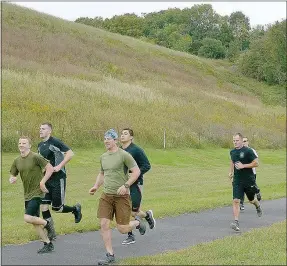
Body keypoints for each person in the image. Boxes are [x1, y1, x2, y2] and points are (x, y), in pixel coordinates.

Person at [89, 129, 146, 265]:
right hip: (106, 195)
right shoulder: (103, 157)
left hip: (122, 197)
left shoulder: (124, 155)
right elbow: (102, 174)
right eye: (105, 138)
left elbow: (136, 171)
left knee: (122, 228)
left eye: (109, 138)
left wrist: (126, 185)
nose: (106, 141)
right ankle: (110, 255)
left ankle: (138, 223)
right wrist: (96, 186)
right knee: (104, 224)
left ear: (115, 141)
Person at [9, 136, 55, 253]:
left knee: (27, 218)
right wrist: (12, 179)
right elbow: (13, 175)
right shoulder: (17, 160)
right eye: (20, 143)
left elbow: (50, 169)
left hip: (37, 193)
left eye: (24, 143)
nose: (21, 145)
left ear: (29, 145)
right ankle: (48, 244)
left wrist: (42, 182)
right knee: (34, 222)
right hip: (27, 194)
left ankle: (47, 223)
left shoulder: (35, 157)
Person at [38, 122, 82, 240]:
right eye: (40, 128)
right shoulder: (40, 145)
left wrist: (59, 166)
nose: (40, 130)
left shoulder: (55, 142)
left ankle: (75, 209)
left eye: (43, 128)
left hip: (58, 178)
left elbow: (70, 153)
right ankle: (51, 232)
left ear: (49, 131)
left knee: (57, 208)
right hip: (46, 179)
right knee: (43, 205)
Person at [120, 128, 155, 245]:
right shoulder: (119, 151)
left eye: (126, 134)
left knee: (134, 212)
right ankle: (130, 235)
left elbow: (147, 165)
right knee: (125, 209)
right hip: (123, 185)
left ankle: (147, 216)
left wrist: (134, 174)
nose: (122, 135)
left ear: (131, 137)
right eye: (121, 133)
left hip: (136, 184)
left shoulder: (136, 150)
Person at [228, 133, 262, 232]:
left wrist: (244, 166)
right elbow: (232, 162)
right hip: (238, 180)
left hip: (249, 179)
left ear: (242, 140)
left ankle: (257, 206)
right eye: (234, 140)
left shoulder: (248, 151)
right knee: (236, 200)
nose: (235, 142)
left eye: (237, 140)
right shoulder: (232, 152)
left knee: (251, 200)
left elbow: (256, 163)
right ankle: (236, 222)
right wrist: (230, 172)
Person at [240, 137, 262, 210]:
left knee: (252, 188)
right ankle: (241, 203)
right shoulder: (240, 151)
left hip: (251, 173)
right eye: (242, 141)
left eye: (245, 141)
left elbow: (256, 162)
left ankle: (257, 191)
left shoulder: (252, 150)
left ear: (248, 142)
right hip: (242, 174)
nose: (244, 143)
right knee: (241, 188)